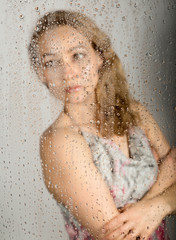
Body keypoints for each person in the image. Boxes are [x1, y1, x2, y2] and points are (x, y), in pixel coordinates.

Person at [28, 10, 176, 240]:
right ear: (41, 73)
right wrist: (160, 196)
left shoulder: (134, 112)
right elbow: (119, 237)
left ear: (99, 57)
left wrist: (155, 206)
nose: (68, 73)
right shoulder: (60, 141)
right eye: (52, 62)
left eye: (77, 56)